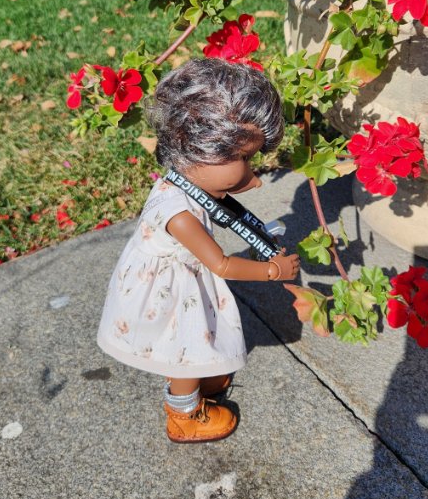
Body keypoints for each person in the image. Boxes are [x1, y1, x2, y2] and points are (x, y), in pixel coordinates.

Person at [96, 59, 300, 443]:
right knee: (183, 347)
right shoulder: (177, 212)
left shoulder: (187, 183)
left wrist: (241, 183)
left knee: (196, 340)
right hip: (168, 294)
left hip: (182, 279)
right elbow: (221, 264)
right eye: (244, 159)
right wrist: (274, 271)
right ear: (203, 150)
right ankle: (184, 413)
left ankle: (199, 381)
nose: (250, 170)